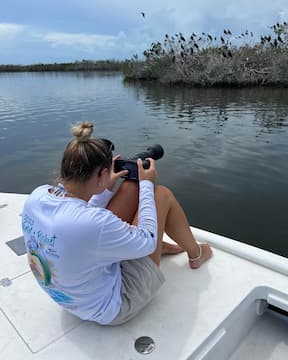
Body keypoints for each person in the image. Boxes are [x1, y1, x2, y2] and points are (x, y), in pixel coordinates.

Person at [22, 121, 212, 326]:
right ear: (101, 174)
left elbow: (81, 218)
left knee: (130, 187)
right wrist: (147, 184)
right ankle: (196, 254)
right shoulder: (93, 223)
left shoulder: (37, 195)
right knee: (161, 195)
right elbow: (147, 240)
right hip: (112, 307)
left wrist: (105, 188)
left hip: (71, 295)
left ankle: (161, 247)